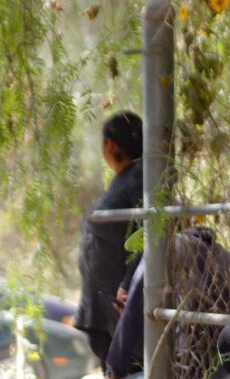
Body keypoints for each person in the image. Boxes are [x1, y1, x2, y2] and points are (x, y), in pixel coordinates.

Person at [92, 227, 230, 379]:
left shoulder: (162, 249)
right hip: (225, 373)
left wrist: (113, 368)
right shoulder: (223, 255)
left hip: (182, 377)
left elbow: (132, 314)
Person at [75, 110, 143, 365]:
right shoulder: (128, 179)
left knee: (129, 371)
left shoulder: (138, 176)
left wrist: (127, 283)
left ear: (110, 145)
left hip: (122, 308)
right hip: (106, 308)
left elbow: (151, 233)